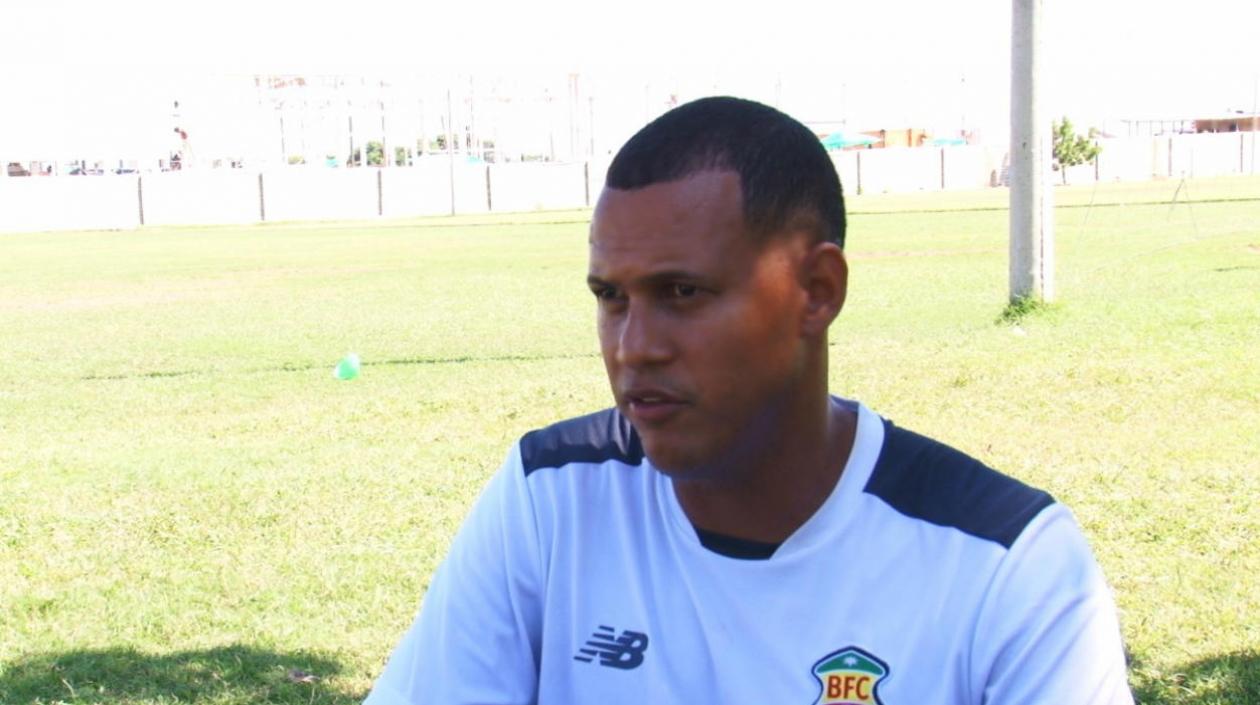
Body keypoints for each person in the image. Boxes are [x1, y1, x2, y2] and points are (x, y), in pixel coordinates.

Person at [364, 96, 1133, 705]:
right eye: (611, 297)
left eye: (683, 292)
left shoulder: (1005, 564)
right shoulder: (552, 496)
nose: (634, 347)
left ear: (817, 290)